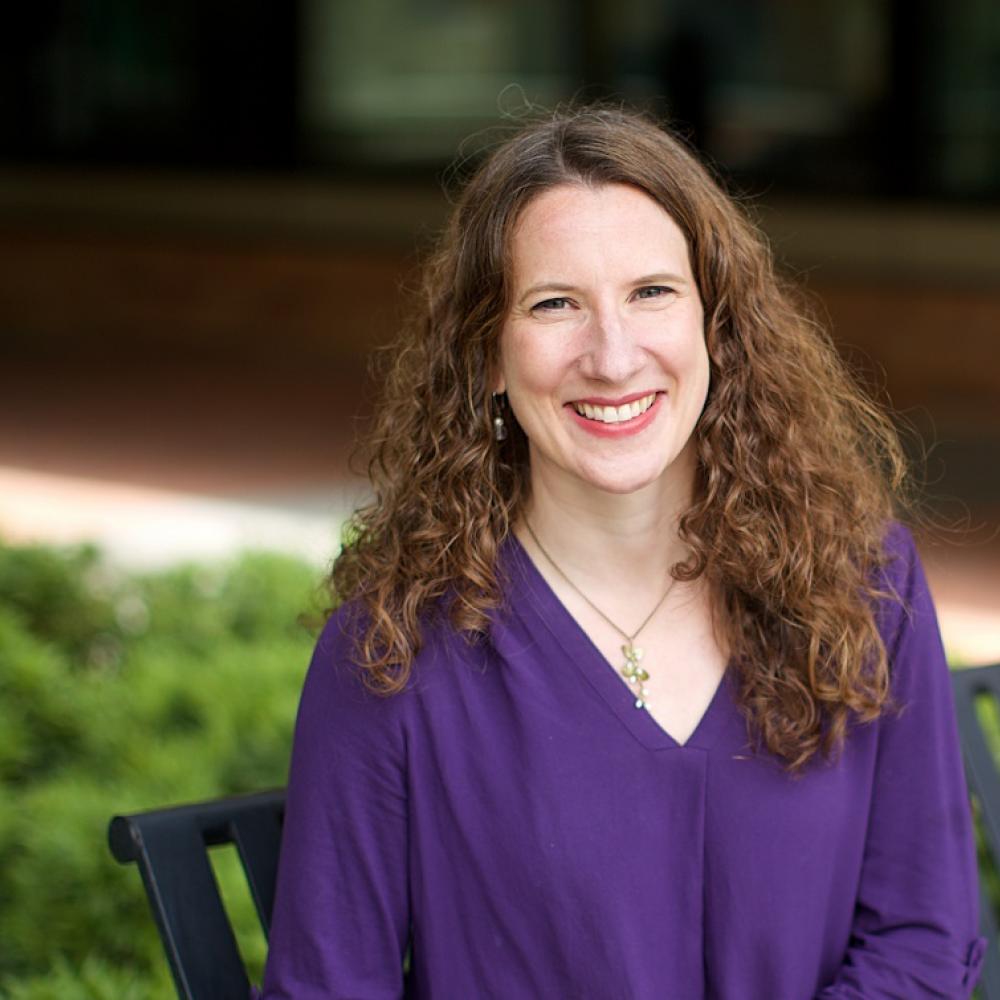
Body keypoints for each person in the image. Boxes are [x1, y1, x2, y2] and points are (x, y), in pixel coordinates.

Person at [259, 106, 985, 998]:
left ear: (717, 326)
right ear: (487, 353)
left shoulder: (863, 583)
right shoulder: (394, 655)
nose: (611, 356)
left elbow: (921, 938)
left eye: (651, 293)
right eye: (556, 304)